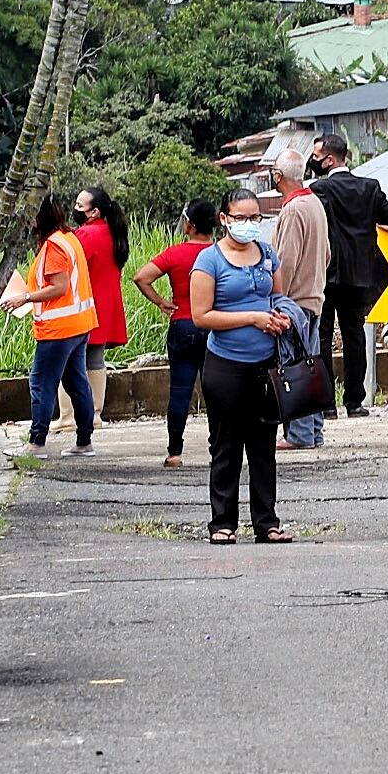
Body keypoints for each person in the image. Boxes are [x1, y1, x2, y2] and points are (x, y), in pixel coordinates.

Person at [190, 190, 292, 544]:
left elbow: (278, 296)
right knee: (226, 445)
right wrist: (252, 318)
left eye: (255, 218)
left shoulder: (267, 254)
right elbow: (201, 316)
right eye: (240, 218)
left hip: (266, 364)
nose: (248, 225)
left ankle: (267, 522)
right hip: (225, 365)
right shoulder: (209, 260)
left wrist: (281, 317)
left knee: (264, 446)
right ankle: (222, 522)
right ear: (224, 219)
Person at [306, 133, 388, 420]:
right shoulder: (369, 187)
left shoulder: (319, 189)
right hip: (360, 275)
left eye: (316, 156)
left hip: (327, 274)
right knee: (354, 336)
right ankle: (354, 402)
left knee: (322, 337)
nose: (313, 161)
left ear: (329, 159)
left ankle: (327, 404)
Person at [3, 191, 101, 456]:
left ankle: (37, 443)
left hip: (58, 329)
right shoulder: (68, 238)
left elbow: (58, 287)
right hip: (79, 325)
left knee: (41, 383)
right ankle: (84, 441)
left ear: (40, 217)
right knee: (77, 383)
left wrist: (24, 298)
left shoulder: (53, 246)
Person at [133, 197, 216, 468]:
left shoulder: (175, 253)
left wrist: (160, 302)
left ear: (189, 225)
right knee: (216, 392)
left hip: (183, 325)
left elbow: (141, 277)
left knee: (180, 392)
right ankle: (217, 449)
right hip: (216, 326)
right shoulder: (220, 253)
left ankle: (175, 453)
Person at [268, 151, 331, 449]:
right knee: (310, 364)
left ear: (278, 176)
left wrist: (277, 300)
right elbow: (327, 254)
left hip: (294, 302)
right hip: (313, 297)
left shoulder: (293, 210)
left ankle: (300, 434)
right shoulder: (314, 202)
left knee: (295, 368)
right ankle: (313, 430)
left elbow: (286, 261)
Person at [75, 183, 131, 403]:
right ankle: (96, 412)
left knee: (72, 361)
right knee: (96, 360)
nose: (75, 208)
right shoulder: (114, 233)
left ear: (94, 211)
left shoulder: (84, 235)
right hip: (107, 305)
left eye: (80, 205)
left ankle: (70, 414)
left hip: (84, 305)